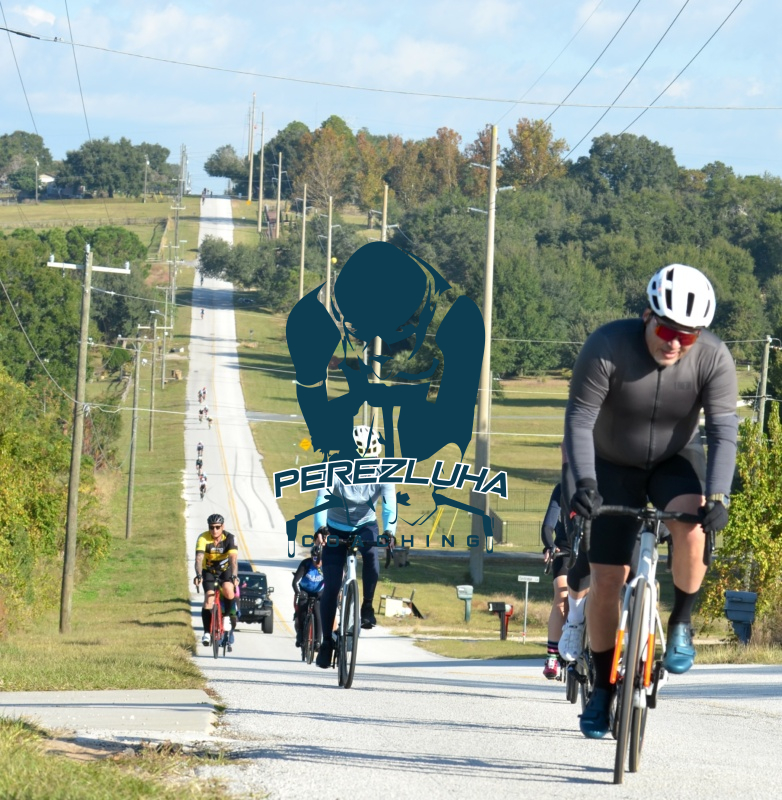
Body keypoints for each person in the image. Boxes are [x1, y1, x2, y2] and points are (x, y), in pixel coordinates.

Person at [565, 263, 738, 739]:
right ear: (647, 316)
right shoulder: (607, 345)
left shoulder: (714, 358)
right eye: (666, 330)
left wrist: (718, 495)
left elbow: (724, 432)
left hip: (674, 460)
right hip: (610, 464)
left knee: (693, 527)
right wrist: (584, 483)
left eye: (688, 335)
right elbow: (579, 420)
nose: (675, 343)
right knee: (606, 579)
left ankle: (681, 622)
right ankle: (603, 688)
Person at [314, 425, 397, 669]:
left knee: (371, 555)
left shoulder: (384, 470)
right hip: (335, 526)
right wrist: (321, 528)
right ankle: (327, 642)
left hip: (365, 525)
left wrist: (389, 532)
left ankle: (367, 605)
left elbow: (389, 504)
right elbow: (322, 498)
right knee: (331, 587)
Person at [194, 514, 239, 647]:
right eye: (211, 527)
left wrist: (234, 576)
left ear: (222, 527)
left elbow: (233, 560)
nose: (214, 530)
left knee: (228, 589)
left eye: (217, 527)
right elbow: (199, 559)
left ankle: (226, 617)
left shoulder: (230, 538)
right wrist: (198, 575)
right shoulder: (203, 538)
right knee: (209, 599)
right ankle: (207, 633)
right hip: (208, 571)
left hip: (225, 570)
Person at [541, 483, 569, 680]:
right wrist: (550, 545)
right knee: (562, 594)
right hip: (566, 549)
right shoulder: (563, 488)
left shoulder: (608, 480)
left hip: (597, 549)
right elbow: (548, 526)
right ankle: (552, 657)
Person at [292, 545, 325, 650]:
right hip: (304, 591)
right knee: (302, 608)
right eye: (314, 558)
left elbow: (330, 583)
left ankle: (318, 640)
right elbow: (295, 582)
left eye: (319, 559)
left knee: (318, 613)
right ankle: (300, 634)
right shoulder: (305, 564)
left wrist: (324, 594)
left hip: (318, 592)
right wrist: (298, 592)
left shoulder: (325, 566)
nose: (316, 561)